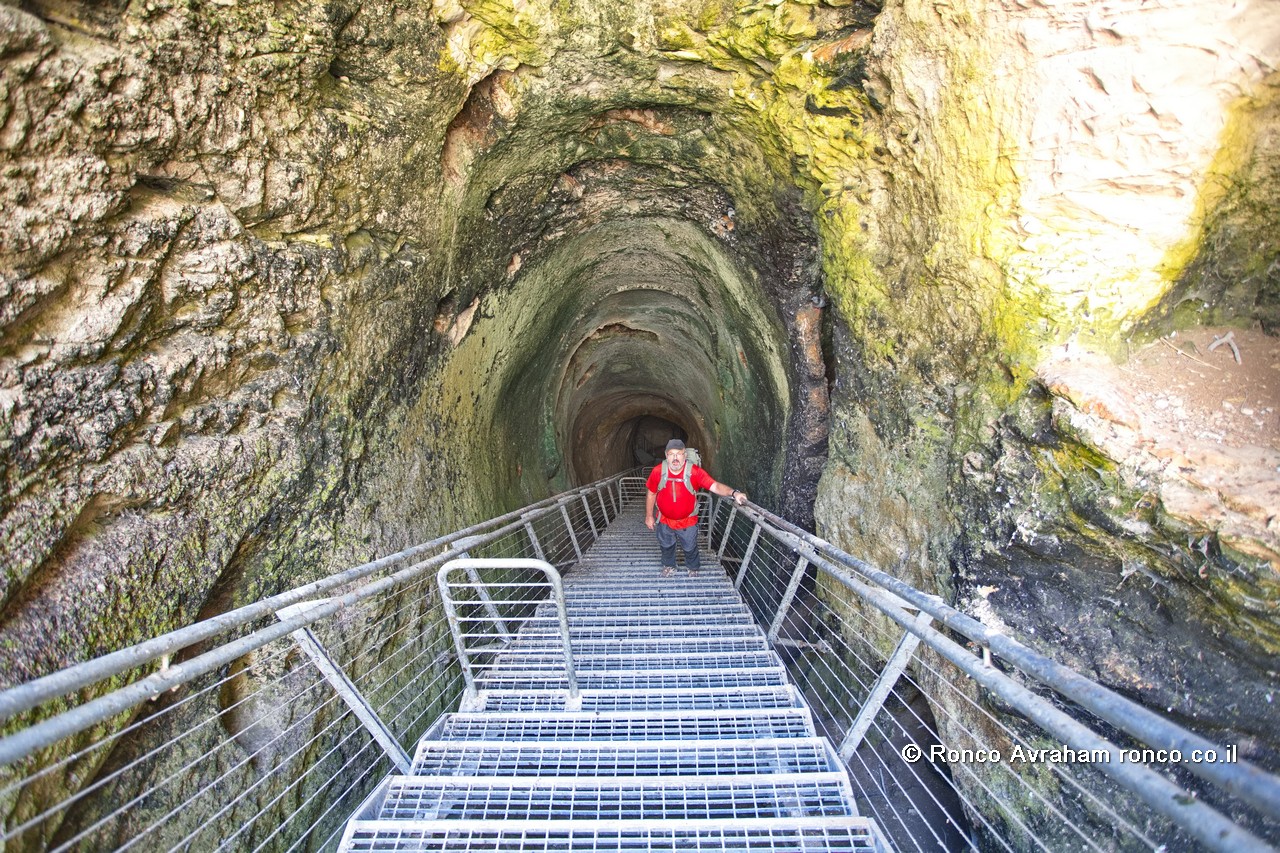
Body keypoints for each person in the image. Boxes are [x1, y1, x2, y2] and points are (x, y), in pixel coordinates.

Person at [645, 439, 748, 578]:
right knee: (666, 545)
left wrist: (734, 493)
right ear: (666, 455)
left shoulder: (694, 472)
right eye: (671, 454)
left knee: (690, 546)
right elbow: (651, 493)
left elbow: (715, 486)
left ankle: (692, 567)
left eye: (679, 454)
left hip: (687, 520)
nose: (675, 458)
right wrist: (649, 516)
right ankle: (669, 566)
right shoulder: (658, 471)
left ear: (685, 455)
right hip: (664, 519)